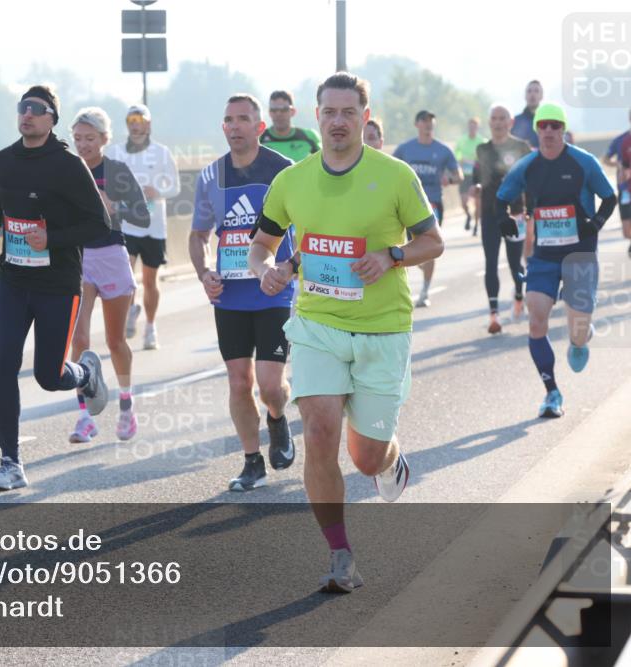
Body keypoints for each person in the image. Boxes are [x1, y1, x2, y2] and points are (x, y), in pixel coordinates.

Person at [250, 72, 443, 593]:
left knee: (365, 457)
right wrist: (266, 268)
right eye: (329, 112)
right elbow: (263, 243)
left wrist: (393, 255)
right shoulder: (292, 180)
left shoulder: (397, 175)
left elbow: (434, 241)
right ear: (317, 117)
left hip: (383, 329)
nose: (338, 121)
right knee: (318, 431)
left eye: (348, 113)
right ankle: (340, 554)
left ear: (364, 117)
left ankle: (389, 460)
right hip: (317, 325)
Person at [0, 85, 111, 491]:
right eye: (22, 108)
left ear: (51, 119)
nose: (27, 115)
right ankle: (10, 463)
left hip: (58, 284)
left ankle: (84, 373)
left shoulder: (67, 165)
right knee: (3, 366)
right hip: (13, 279)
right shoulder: (5, 160)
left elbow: (98, 225)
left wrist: (54, 239)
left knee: (48, 375)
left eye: (37, 109)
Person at [189, 93, 296, 492]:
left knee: (270, 384)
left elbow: (310, 227)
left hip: (273, 291)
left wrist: (288, 269)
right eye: (228, 120)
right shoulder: (210, 177)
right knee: (238, 382)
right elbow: (198, 236)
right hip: (230, 295)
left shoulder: (284, 172)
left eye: (243, 119)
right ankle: (252, 461)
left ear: (259, 126)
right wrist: (204, 274)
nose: (234, 126)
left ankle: (277, 416)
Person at [496, 103, 616, 418]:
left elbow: (610, 197)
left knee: (576, 331)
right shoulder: (528, 166)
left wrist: (595, 223)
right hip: (544, 256)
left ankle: (582, 337)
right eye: (543, 126)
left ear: (563, 130)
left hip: (579, 255)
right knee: (537, 318)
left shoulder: (583, 162)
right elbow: (502, 197)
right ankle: (552, 393)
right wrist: (504, 218)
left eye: (555, 125)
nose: (548, 131)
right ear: (536, 130)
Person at [68, 107, 150, 444]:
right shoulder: (67, 171)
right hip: (78, 258)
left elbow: (143, 217)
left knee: (115, 341)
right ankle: (85, 416)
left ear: (104, 139)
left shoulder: (116, 172)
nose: (83, 145)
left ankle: (127, 407)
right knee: (78, 338)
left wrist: (115, 207)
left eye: (90, 138)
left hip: (112, 255)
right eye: (77, 139)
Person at [106, 104, 181, 350]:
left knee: (150, 281)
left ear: (148, 124)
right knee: (125, 275)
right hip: (127, 224)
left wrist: (157, 191)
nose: (135, 123)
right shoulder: (116, 153)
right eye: (131, 119)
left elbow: (176, 186)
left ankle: (150, 326)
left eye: (139, 119)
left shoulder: (161, 153)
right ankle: (130, 309)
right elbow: (109, 184)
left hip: (154, 226)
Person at [471, 105, 531, 333]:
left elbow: (530, 179)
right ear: (489, 122)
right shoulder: (482, 149)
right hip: (490, 213)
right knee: (491, 263)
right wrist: (475, 188)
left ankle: (518, 295)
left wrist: (530, 208)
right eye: (494, 118)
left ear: (510, 121)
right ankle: (494, 314)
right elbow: (480, 177)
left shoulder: (521, 147)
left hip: (515, 212)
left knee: (515, 262)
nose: (497, 122)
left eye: (502, 118)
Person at [393, 110, 462, 307]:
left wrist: (449, 179)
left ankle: (424, 291)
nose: (428, 124)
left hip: (432, 205)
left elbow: (459, 176)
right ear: (417, 124)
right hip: (405, 207)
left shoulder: (443, 150)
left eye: (431, 121)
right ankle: (414, 273)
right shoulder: (405, 149)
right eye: (424, 121)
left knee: (429, 247)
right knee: (405, 249)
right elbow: (391, 171)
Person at [259, 90, 322, 163]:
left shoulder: (309, 136)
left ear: (293, 111)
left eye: (284, 110)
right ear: (269, 113)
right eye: (274, 110)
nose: (278, 114)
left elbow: (325, 163)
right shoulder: (259, 138)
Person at [603, 109, 631, 257]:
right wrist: (618, 165)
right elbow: (606, 159)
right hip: (625, 189)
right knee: (627, 231)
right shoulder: (621, 140)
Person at [455, 117, 485, 234]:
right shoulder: (462, 140)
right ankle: (468, 215)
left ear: (477, 127)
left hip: (476, 175)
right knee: (463, 201)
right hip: (464, 174)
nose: (472, 128)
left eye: (474, 126)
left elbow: (484, 157)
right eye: (470, 126)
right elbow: (456, 152)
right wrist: (460, 159)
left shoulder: (481, 140)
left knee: (478, 203)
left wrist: (476, 161)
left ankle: (476, 225)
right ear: (468, 127)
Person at [512, 80, 543, 150]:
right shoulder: (515, 121)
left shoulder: (548, 123)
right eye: (529, 91)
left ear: (541, 96)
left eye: (536, 91)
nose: (532, 94)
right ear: (525, 96)